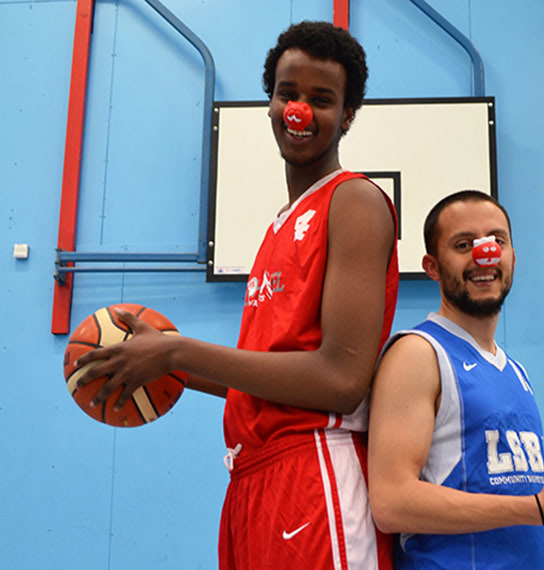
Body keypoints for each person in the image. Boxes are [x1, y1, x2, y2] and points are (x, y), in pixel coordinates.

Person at [76, 21, 398, 569]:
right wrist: (165, 364)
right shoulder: (278, 225)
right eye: (287, 93)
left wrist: (178, 351)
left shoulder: (355, 202)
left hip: (314, 476)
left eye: (321, 100)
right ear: (269, 104)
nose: (299, 111)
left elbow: (341, 381)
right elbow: (274, 381)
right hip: (251, 479)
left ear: (347, 116)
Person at [367, 190, 544, 569]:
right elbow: (391, 503)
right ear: (432, 267)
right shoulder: (419, 354)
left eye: (496, 241)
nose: (484, 254)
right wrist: (539, 508)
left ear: (512, 257)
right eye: (464, 245)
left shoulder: (516, 372)